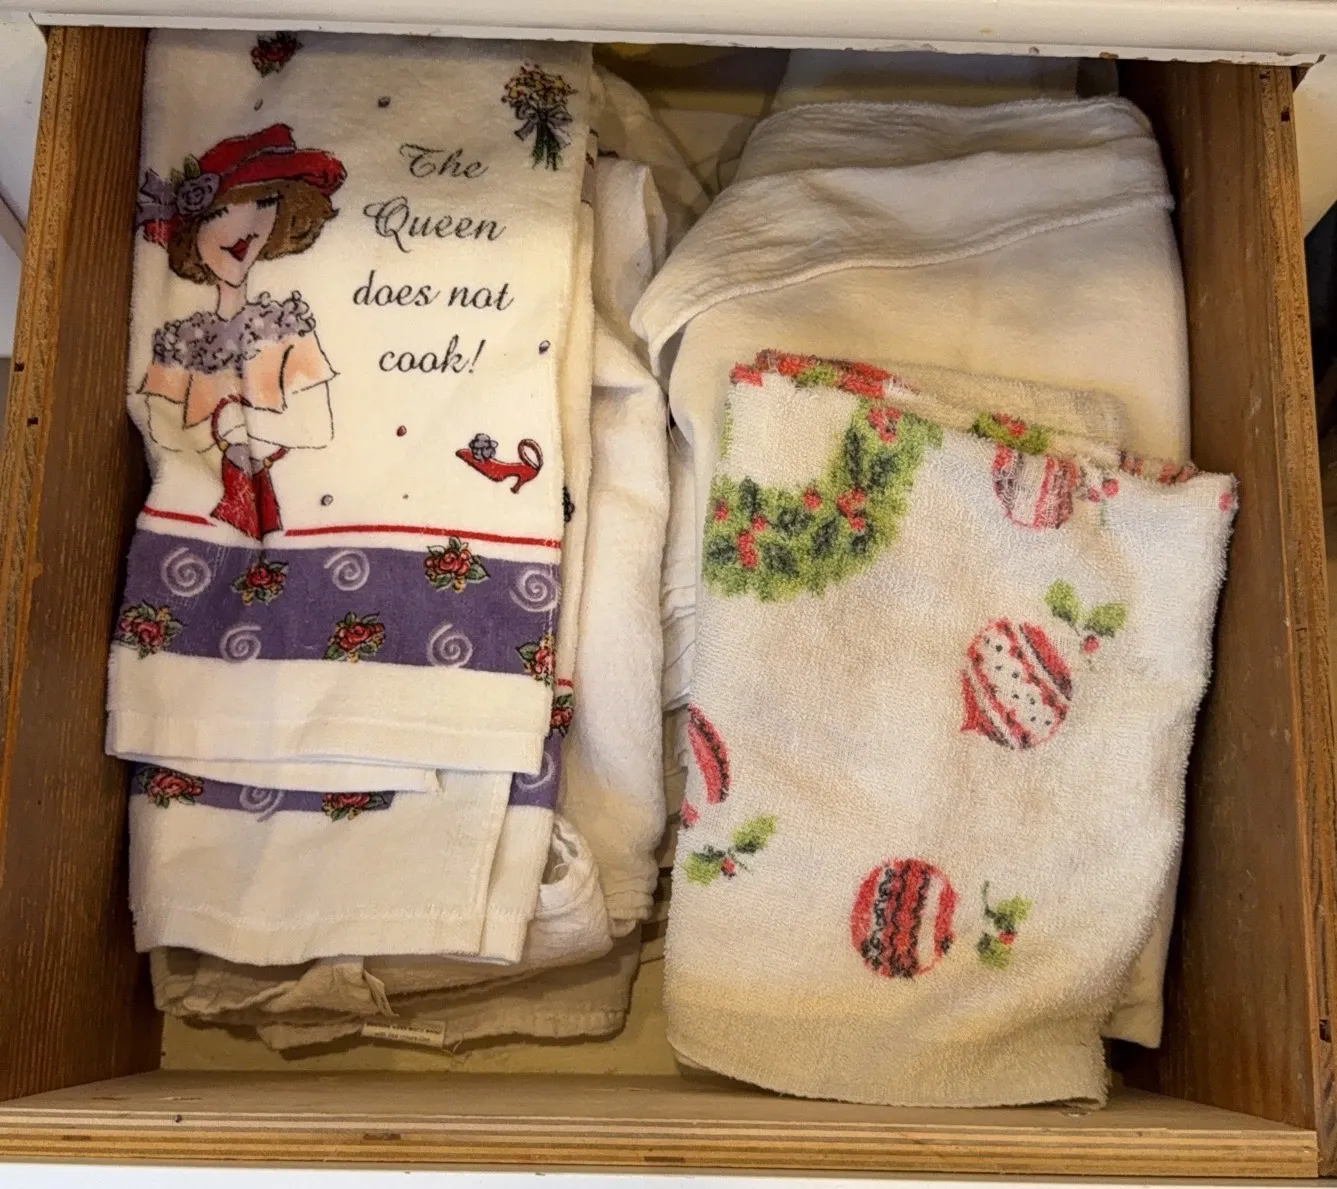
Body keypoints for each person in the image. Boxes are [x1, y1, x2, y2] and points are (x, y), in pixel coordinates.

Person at [135, 124, 346, 538]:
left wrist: (241, 430)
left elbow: (319, 426)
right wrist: (225, 431)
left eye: (264, 203)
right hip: (200, 521)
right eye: (218, 213)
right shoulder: (179, 342)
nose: (244, 230)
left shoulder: (286, 326)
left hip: (290, 510)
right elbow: (161, 430)